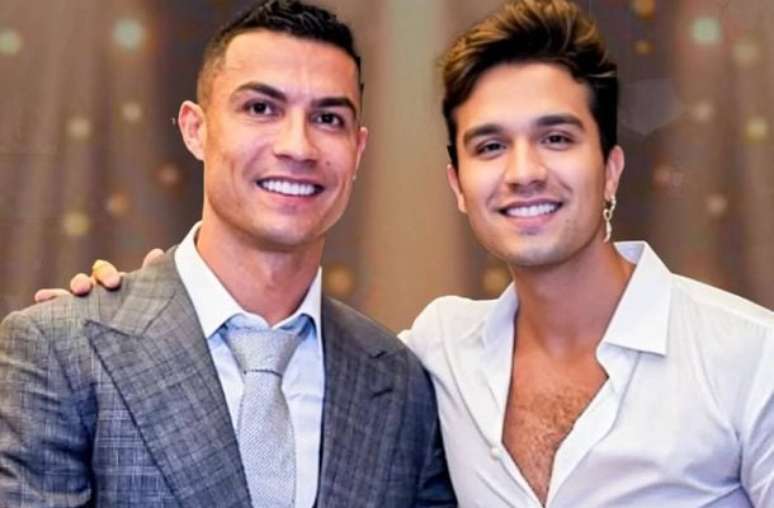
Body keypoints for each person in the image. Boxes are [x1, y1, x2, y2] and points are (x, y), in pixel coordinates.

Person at [37, 0, 774, 506]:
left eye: (556, 137)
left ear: (610, 168)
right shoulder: (434, 357)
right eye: (490, 145)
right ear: (457, 184)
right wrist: (136, 310)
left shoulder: (749, 358)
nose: (523, 172)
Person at [0, 1, 455, 507]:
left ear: (358, 150)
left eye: (328, 118)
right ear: (195, 128)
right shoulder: (62, 347)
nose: (298, 146)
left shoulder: (402, 383)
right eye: (261, 109)